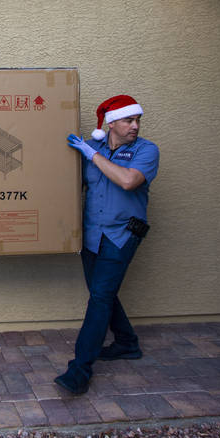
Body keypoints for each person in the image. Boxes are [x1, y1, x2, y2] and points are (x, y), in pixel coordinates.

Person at [54, 95, 160, 396]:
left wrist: (91, 155)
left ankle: (79, 371)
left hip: (122, 235)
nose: (135, 126)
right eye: (129, 120)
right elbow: (71, 185)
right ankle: (127, 344)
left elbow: (128, 181)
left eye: (137, 120)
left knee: (100, 297)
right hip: (91, 234)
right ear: (111, 123)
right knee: (103, 293)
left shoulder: (146, 150)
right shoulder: (93, 146)